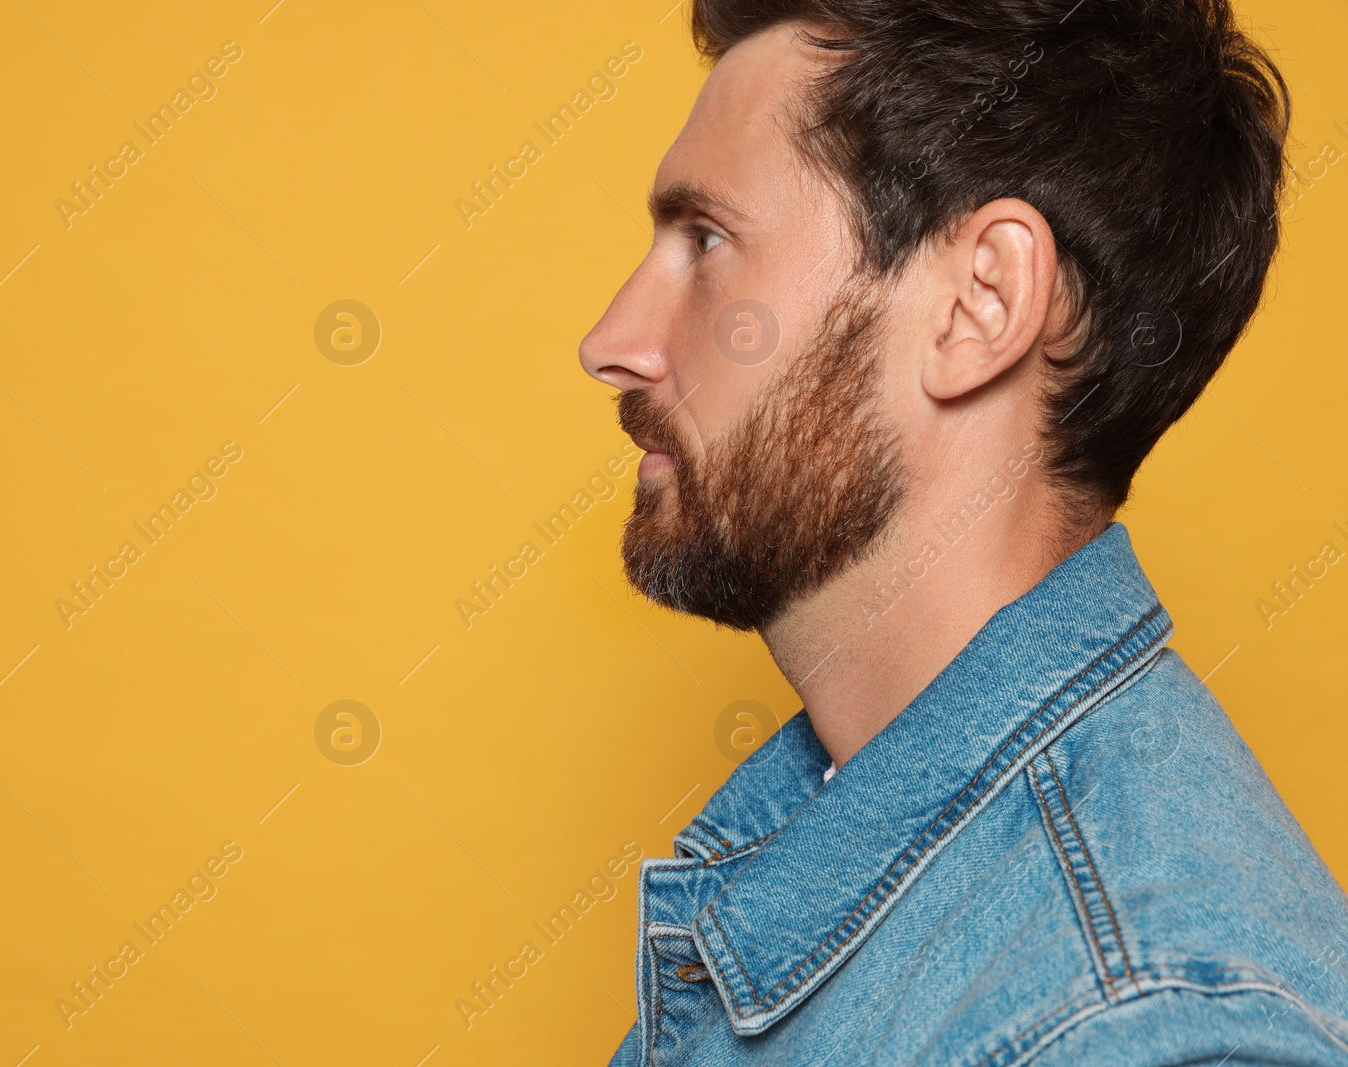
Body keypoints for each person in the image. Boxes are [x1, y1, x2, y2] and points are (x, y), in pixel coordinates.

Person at [577, 1, 1348, 1062]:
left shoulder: (1138, 1028)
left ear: (979, 304)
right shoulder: (863, 831)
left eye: (707, 239)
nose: (611, 343)